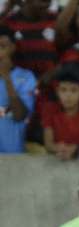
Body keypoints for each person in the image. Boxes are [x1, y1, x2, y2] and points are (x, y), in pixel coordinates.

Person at [42, 68, 79, 159]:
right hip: (56, 158)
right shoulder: (49, 109)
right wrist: (58, 148)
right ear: (57, 92)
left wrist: (75, 150)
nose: (68, 95)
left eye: (73, 90)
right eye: (63, 90)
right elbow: (48, 144)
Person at [0, 23, 35, 153]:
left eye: (2, 46)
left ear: (13, 48)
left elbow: (20, 115)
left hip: (12, 155)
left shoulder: (26, 77)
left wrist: (7, 79)